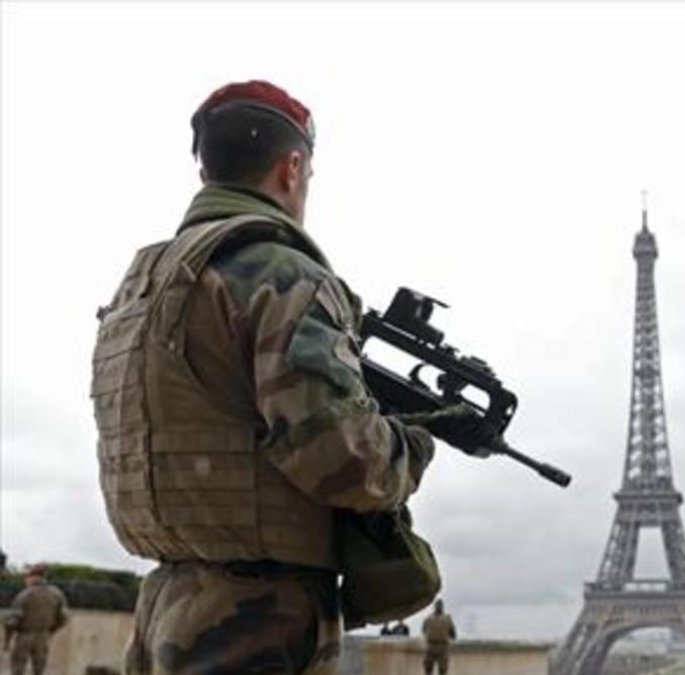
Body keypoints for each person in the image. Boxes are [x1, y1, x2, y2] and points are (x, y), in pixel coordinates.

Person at [90, 80, 439, 674]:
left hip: (170, 600)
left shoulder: (143, 285)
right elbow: (345, 462)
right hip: (260, 617)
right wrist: (411, 443)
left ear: (206, 171)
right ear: (293, 167)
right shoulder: (283, 274)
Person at [7, 565, 68, 675]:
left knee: (18, 667)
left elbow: (12, 621)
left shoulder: (24, 595)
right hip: (43, 635)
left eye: (27, 577)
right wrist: (51, 630)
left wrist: (7, 640)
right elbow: (63, 618)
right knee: (39, 668)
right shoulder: (57, 594)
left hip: (24, 635)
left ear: (33, 577)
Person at [421, 599, 457, 674]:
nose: (438, 607)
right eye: (438, 605)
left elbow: (453, 634)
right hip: (432, 646)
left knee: (442, 670)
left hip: (442, 646)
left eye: (439, 605)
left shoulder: (447, 619)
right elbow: (424, 630)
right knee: (428, 669)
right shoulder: (428, 619)